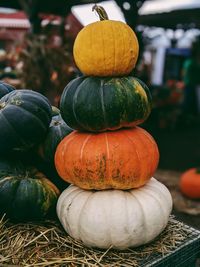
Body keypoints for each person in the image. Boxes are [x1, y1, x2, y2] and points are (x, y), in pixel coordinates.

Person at [182, 40, 200, 116]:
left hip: (190, 84)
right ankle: (189, 116)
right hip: (191, 85)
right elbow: (184, 72)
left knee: (190, 101)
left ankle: (188, 116)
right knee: (190, 101)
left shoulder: (189, 62)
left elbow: (183, 73)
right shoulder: (192, 62)